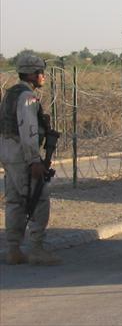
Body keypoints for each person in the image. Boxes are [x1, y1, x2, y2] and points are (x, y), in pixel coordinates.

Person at [0, 53, 61, 265]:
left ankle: (13, 249)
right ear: (32, 74)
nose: (43, 76)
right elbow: (28, 130)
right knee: (38, 198)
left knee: (15, 201)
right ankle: (36, 249)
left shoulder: (10, 94)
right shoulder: (27, 97)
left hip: (8, 152)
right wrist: (34, 160)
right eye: (40, 73)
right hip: (22, 153)